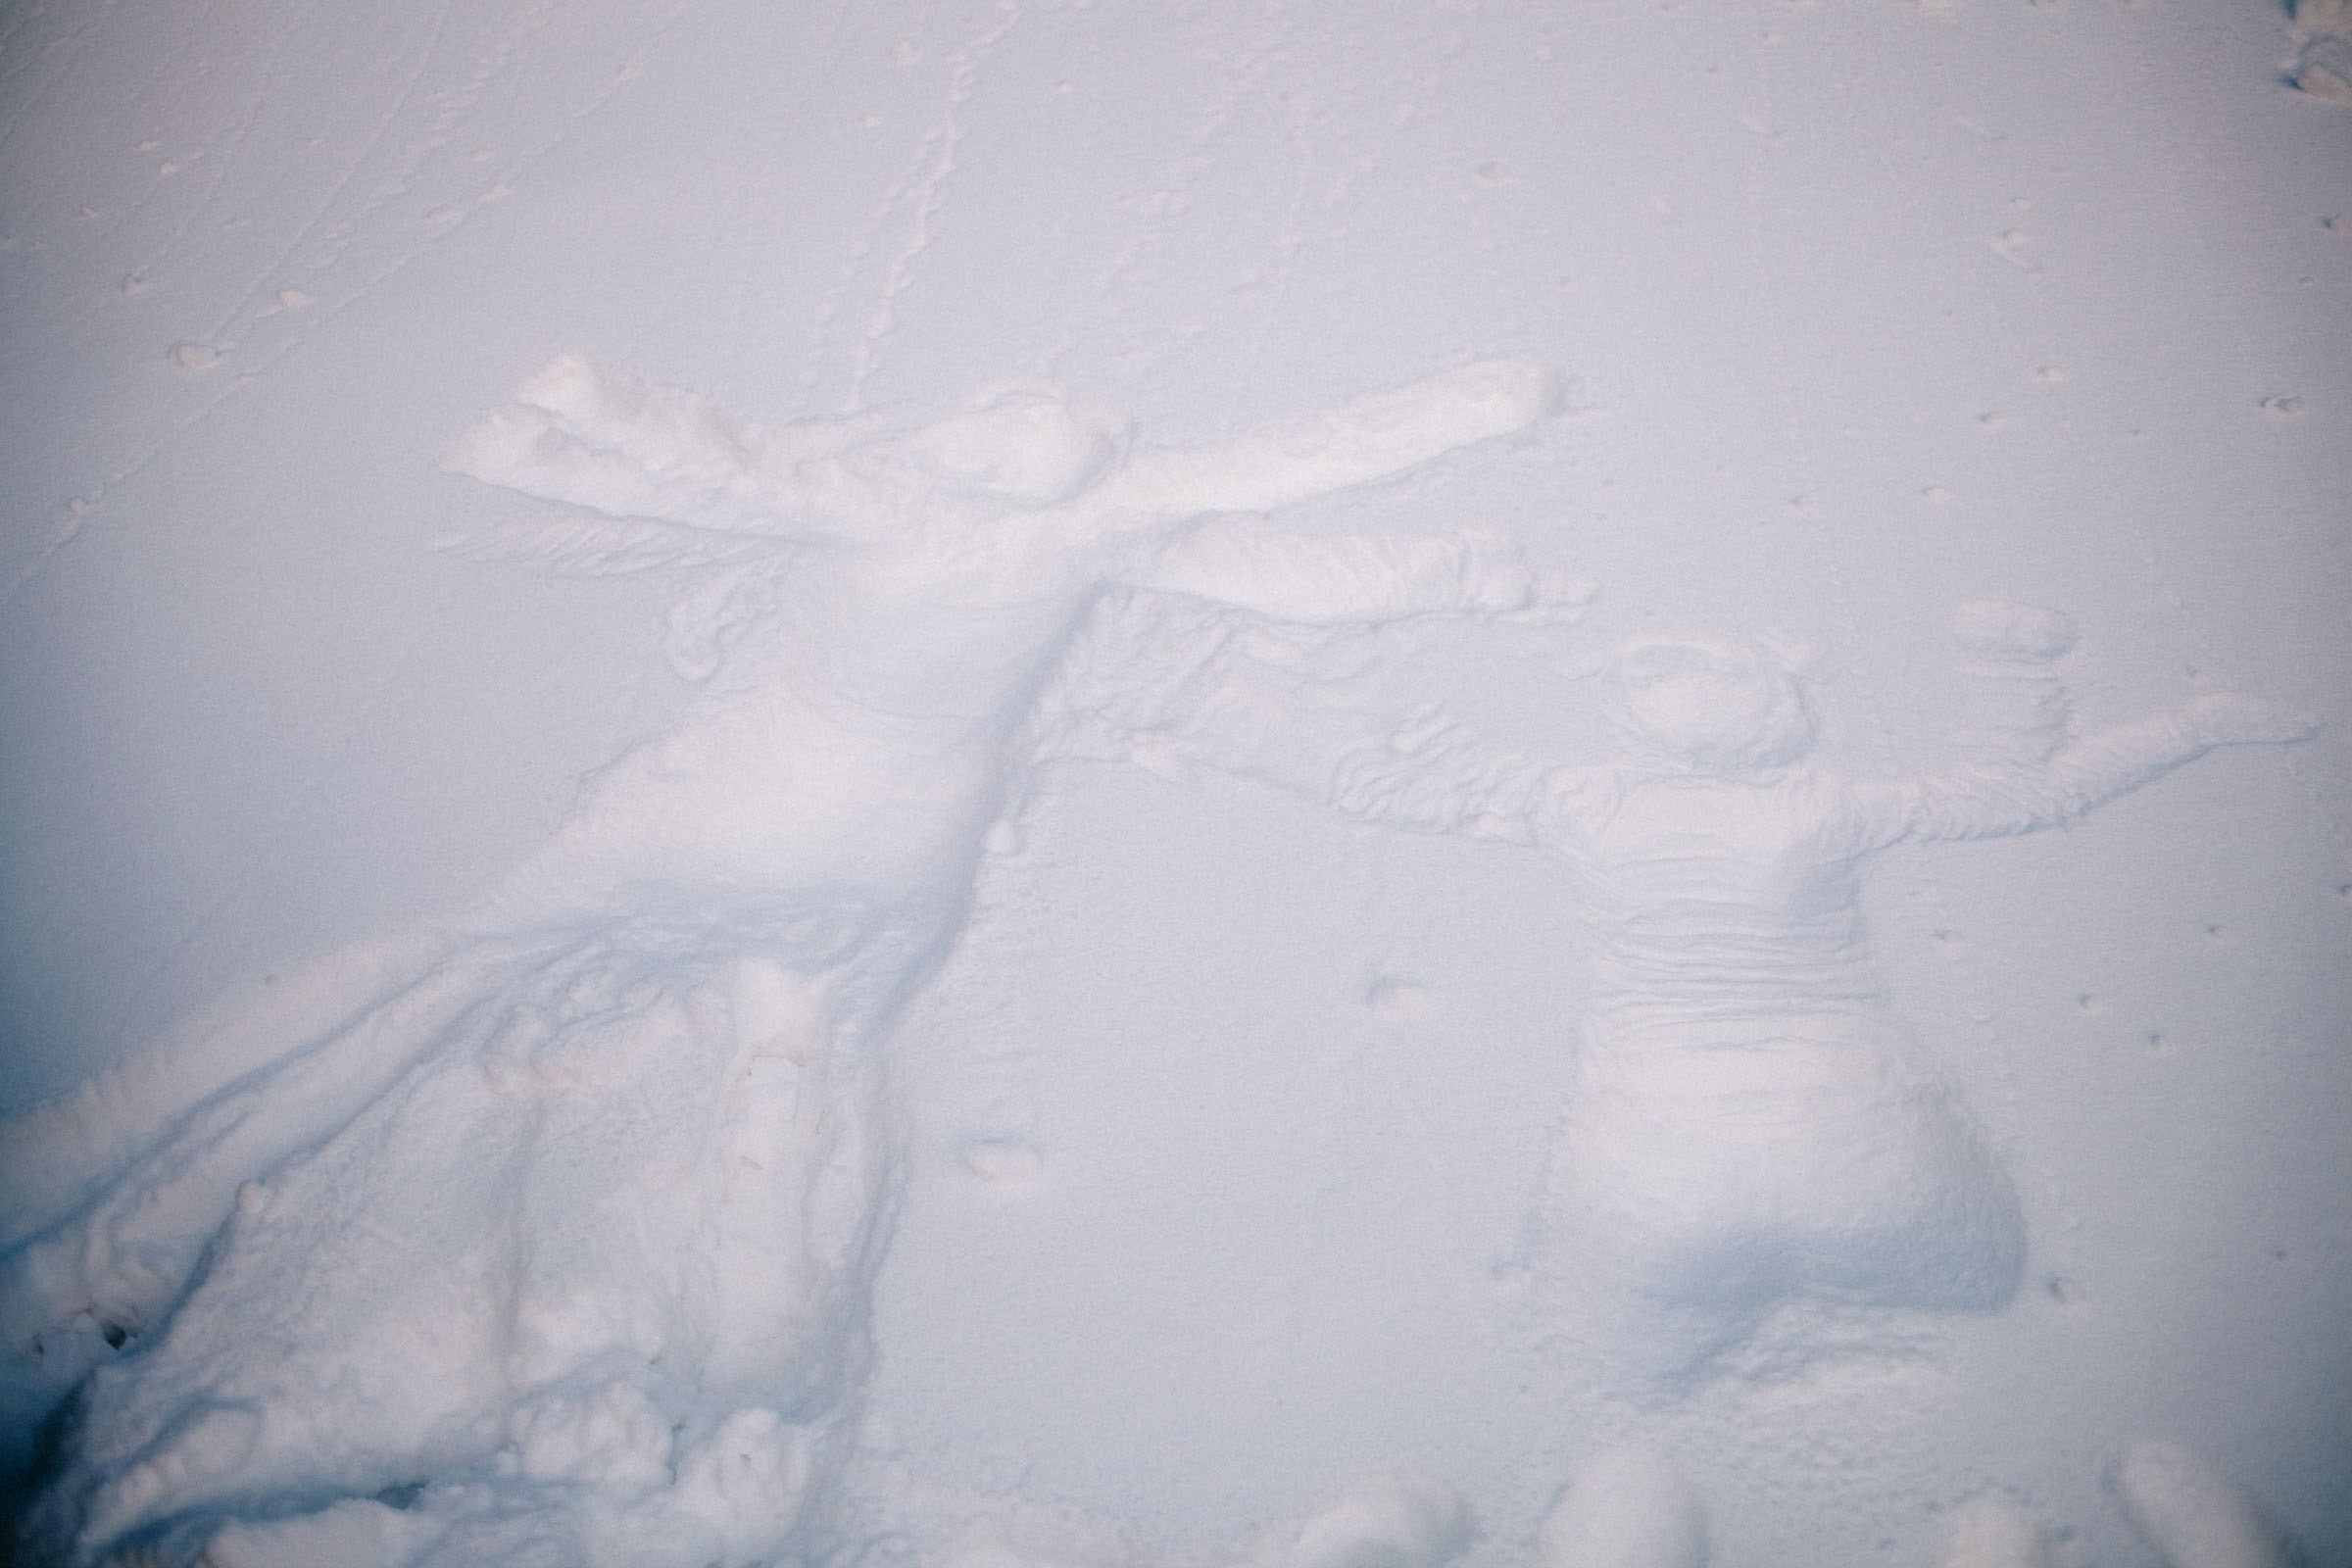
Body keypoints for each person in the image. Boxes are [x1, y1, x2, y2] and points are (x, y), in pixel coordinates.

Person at [0, 354, 1578, 1567]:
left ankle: (164, 1209)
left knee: (466, 970)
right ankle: (741, 1344)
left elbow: (715, 474)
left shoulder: (900, 499)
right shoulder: (1080, 524)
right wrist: (1459, 510)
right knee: (786, 1047)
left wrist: (557, 426)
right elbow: (1287, 494)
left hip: (746, 810)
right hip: (891, 860)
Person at [1319, 622, 2313, 1388]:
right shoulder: (1820, 807)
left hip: (1656, 1156)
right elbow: (2023, 796)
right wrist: (2043, 685)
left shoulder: (1581, 802)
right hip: (1868, 1135)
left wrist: (1354, 668)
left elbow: (1393, 777)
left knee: (1619, 1364)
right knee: (1983, 1329)